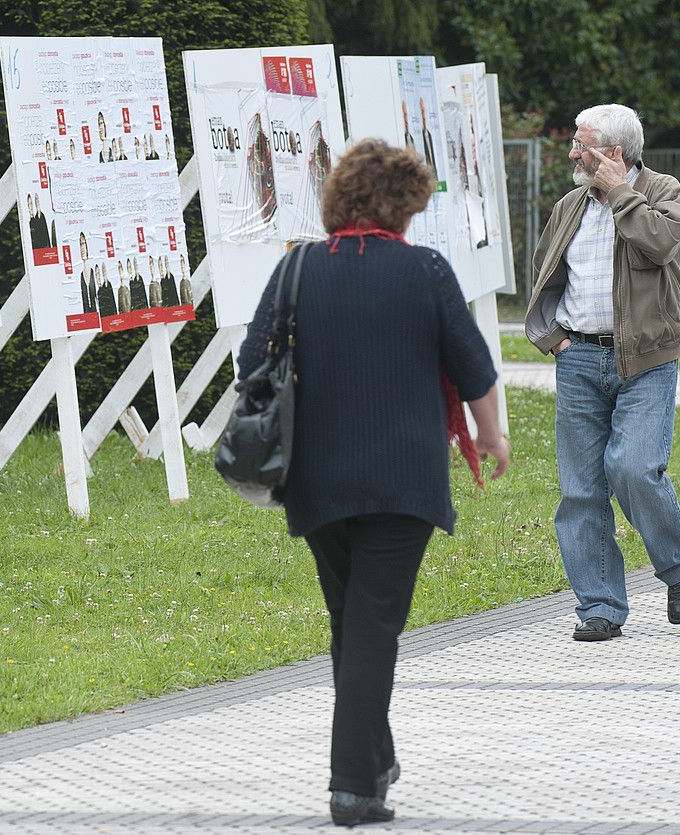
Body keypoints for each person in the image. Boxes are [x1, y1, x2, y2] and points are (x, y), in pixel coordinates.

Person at [237, 138, 509, 826]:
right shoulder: (424, 272)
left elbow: (250, 363)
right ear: (399, 207)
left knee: (353, 620)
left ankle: (375, 754)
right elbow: (474, 371)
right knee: (370, 627)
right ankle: (353, 784)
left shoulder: (297, 267)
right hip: (401, 484)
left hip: (316, 481)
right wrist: (491, 436)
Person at [524, 103, 680, 641]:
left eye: (582, 144)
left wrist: (622, 193)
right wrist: (554, 338)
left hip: (646, 360)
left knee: (634, 468)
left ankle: (679, 567)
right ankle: (599, 606)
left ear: (613, 153)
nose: (573, 153)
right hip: (578, 358)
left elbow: (661, 243)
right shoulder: (571, 205)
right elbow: (545, 266)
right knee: (580, 490)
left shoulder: (665, 192)